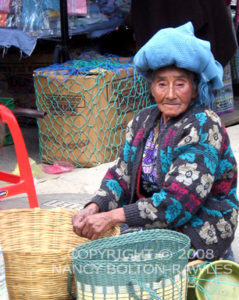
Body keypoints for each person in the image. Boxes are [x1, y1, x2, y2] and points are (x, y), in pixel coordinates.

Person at [72, 22, 238, 260]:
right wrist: (94, 207)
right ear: (151, 87)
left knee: (121, 261)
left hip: (201, 228)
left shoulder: (203, 125)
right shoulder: (144, 119)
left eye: (180, 84)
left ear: (194, 88)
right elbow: (121, 175)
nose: (170, 94)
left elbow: (177, 202)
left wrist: (112, 217)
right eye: (162, 84)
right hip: (158, 221)